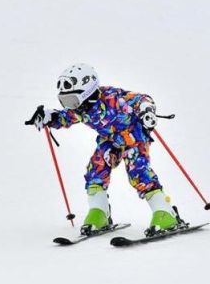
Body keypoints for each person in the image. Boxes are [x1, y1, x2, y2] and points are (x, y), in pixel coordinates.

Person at [26, 63, 181, 236]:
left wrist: (146, 112)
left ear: (86, 92)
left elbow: (141, 99)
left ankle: (165, 212)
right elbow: (65, 117)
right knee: (95, 171)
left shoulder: (112, 98)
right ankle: (99, 212)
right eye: (66, 101)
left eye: (72, 100)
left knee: (138, 173)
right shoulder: (80, 109)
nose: (71, 106)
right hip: (109, 141)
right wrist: (49, 117)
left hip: (133, 138)